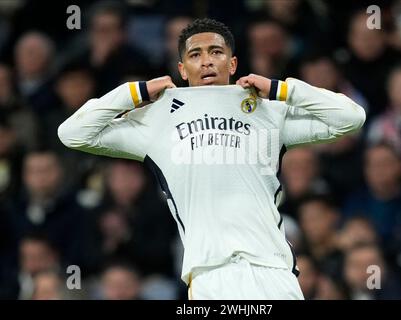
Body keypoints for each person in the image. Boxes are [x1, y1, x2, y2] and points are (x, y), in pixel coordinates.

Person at [58, 18, 365, 300]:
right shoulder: (156, 119)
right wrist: (136, 92)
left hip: (272, 270)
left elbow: (350, 117)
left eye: (216, 52)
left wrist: (280, 88)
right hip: (209, 275)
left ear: (232, 63)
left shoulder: (267, 110)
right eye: (195, 55)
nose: (206, 60)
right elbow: (73, 133)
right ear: (181, 69)